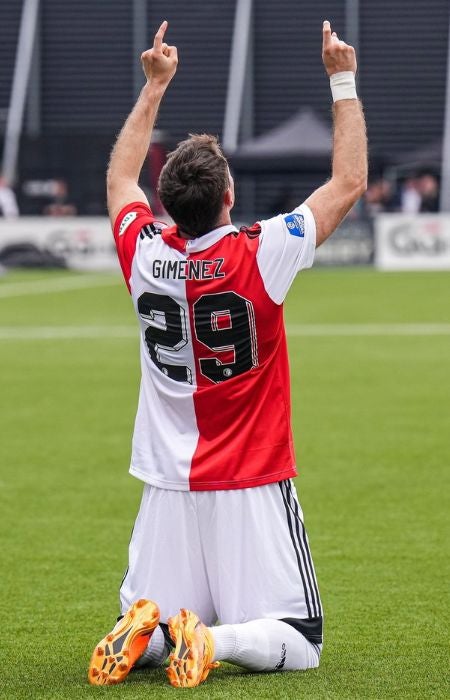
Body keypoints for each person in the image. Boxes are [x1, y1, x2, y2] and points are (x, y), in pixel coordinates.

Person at [88, 19, 367, 689]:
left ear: (166, 203)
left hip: (166, 485)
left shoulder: (146, 255)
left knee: (160, 618)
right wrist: (342, 76)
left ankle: (149, 639)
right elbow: (349, 181)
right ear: (229, 198)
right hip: (249, 477)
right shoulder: (261, 253)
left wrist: (155, 85)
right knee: (299, 638)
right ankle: (210, 640)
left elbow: (120, 178)